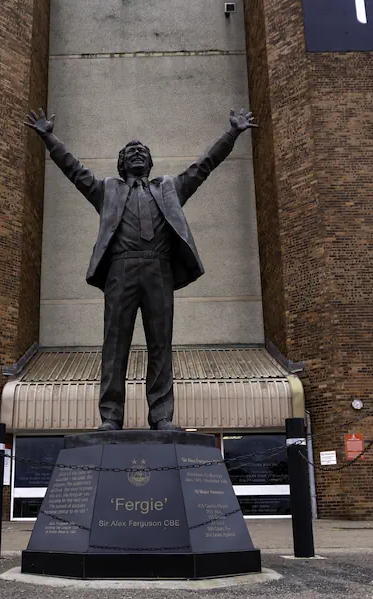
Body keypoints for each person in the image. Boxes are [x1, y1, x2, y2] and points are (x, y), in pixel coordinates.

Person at [25, 107, 258, 431]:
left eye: (142, 152)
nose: (137, 154)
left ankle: (161, 415)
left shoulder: (169, 189)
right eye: (130, 152)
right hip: (120, 270)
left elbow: (204, 166)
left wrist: (232, 133)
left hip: (158, 269)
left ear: (149, 163)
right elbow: (74, 170)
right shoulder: (108, 190)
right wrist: (49, 138)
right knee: (114, 344)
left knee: (161, 344)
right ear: (122, 165)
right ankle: (110, 416)